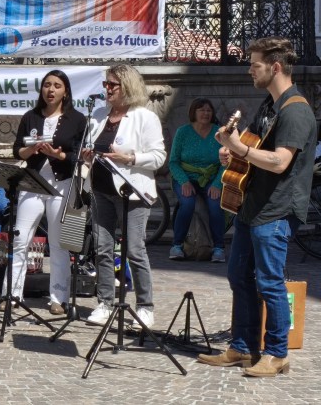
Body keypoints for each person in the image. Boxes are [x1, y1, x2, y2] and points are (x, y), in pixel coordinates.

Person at [198, 37, 315, 377]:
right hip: (253, 205)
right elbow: (247, 143)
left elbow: (279, 162)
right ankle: (242, 347)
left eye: (255, 63)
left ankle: (277, 354)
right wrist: (230, 150)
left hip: (277, 210)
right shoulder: (270, 103)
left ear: (275, 67)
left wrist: (241, 150)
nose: (249, 69)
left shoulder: (296, 110)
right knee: (238, 275)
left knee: (269, 281)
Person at [80, 64, 166, 329]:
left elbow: (159, 157)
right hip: (101, 190)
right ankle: (105, 303)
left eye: (112, 85)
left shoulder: (144, 117)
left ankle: (145, 307)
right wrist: (87, 156)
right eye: (105, 84)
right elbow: (91, 148)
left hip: (132, 193)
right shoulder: (98, 115)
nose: (107, 89)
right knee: (102, 249)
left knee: (134, 250)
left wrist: (130, 158)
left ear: (127, 86)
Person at [2, 70, 85, 316]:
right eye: (47, 85)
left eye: (57, 86)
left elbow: (78, 157)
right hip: (33, 182)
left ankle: (58, 297)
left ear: (65, 91)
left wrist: (57, 155)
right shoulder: (31, 116)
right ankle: (13, 294)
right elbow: (18, 150)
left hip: (62, 184)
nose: (51, 90)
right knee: (20, 239)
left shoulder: (77, 119)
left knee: (58, 243)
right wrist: (33, 150)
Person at [168, 98, 227, 262]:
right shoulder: (183, 132)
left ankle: (218, 248)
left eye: (208, 110)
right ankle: (177, 245)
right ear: (193, 112)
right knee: (187, 203)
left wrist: (217, 184)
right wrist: (184, 181)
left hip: (211, 177)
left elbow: (226, 163)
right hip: (185, 176)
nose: (205, 113)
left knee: (215, 205)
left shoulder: (219, 133)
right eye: (201, 110)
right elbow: (173, 162)